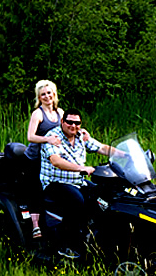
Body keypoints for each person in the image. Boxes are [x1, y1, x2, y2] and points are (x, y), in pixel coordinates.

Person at [40, 108, 121, 258]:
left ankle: (91, 235)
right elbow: (56, 160)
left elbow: (101, 147)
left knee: (102, 197)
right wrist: (81, 168)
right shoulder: (53, 137)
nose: (73, 126)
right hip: (55, 182)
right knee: (78, 202)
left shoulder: (80, 136)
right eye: (69, 122)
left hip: (77, 181)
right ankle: (64, 244)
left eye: (76, 123)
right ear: (62, 122)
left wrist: (125, 155)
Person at [23, 80, 64, 238]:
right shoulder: (38, 114)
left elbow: (67, 129)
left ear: (54, 94)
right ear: (39, 98)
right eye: (43, 94)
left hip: (53, 157)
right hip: (35, 159)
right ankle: (35, 226)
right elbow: (30, 136)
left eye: (49, 93)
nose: (47, 96)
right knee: (36, 190)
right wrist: (47, 139)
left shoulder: (60, 112)